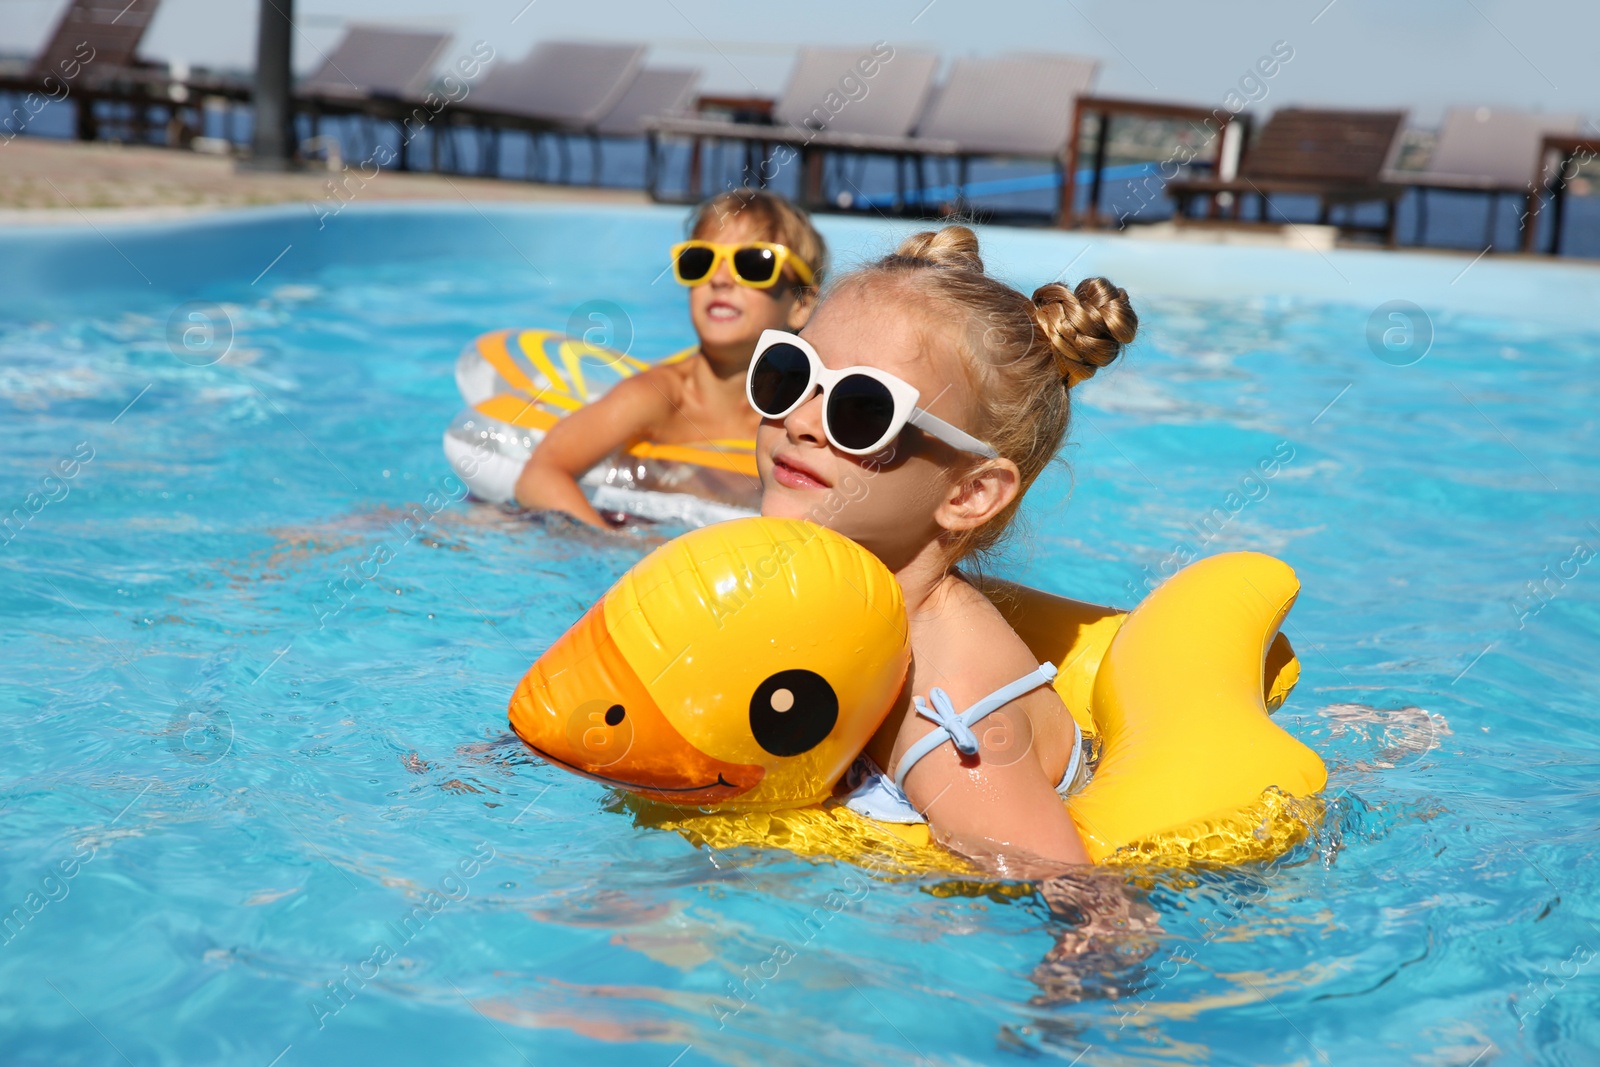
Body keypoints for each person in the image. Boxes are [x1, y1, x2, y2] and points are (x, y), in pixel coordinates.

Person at [752, 225, 1137, 876]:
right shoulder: (775, 585)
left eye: (862, 409)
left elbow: (1089, 906)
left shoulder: (947, 702)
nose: (800, 421)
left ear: (969, 493)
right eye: (791, 373)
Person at [514, 189, 828, 528]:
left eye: (753, 264)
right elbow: (542, 473)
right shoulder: (659, 397)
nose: (719, 279)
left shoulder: (808, 414)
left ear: (801, 304)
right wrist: (611, 547)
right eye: (700, 261)